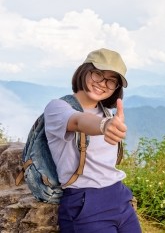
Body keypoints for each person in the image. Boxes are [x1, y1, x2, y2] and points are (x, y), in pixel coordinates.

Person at [44, 48, 142, 233]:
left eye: (111, 80)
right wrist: (105, 125)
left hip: (119, 196)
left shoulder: (106, 112)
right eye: (97, 74)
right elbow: (78, 121)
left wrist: (108, 120)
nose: (103, 84)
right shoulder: (57, 108)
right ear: (84, 71)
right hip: (85, 203)